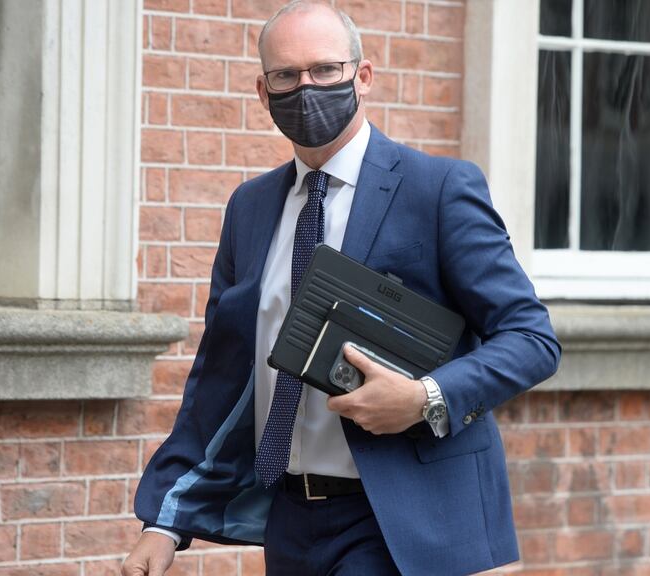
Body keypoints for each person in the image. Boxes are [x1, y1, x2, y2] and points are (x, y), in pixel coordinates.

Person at [122, 1, 560, 575]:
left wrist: (424, 396)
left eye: (325, 70)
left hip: (409, 522)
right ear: (263, 90)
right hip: (291, 520)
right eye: (286, 76)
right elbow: (221, 376)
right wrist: (166, 521)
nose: (306, 88)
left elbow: (532, 338)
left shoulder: (439, 190)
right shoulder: (250, 208)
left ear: (363, 75)